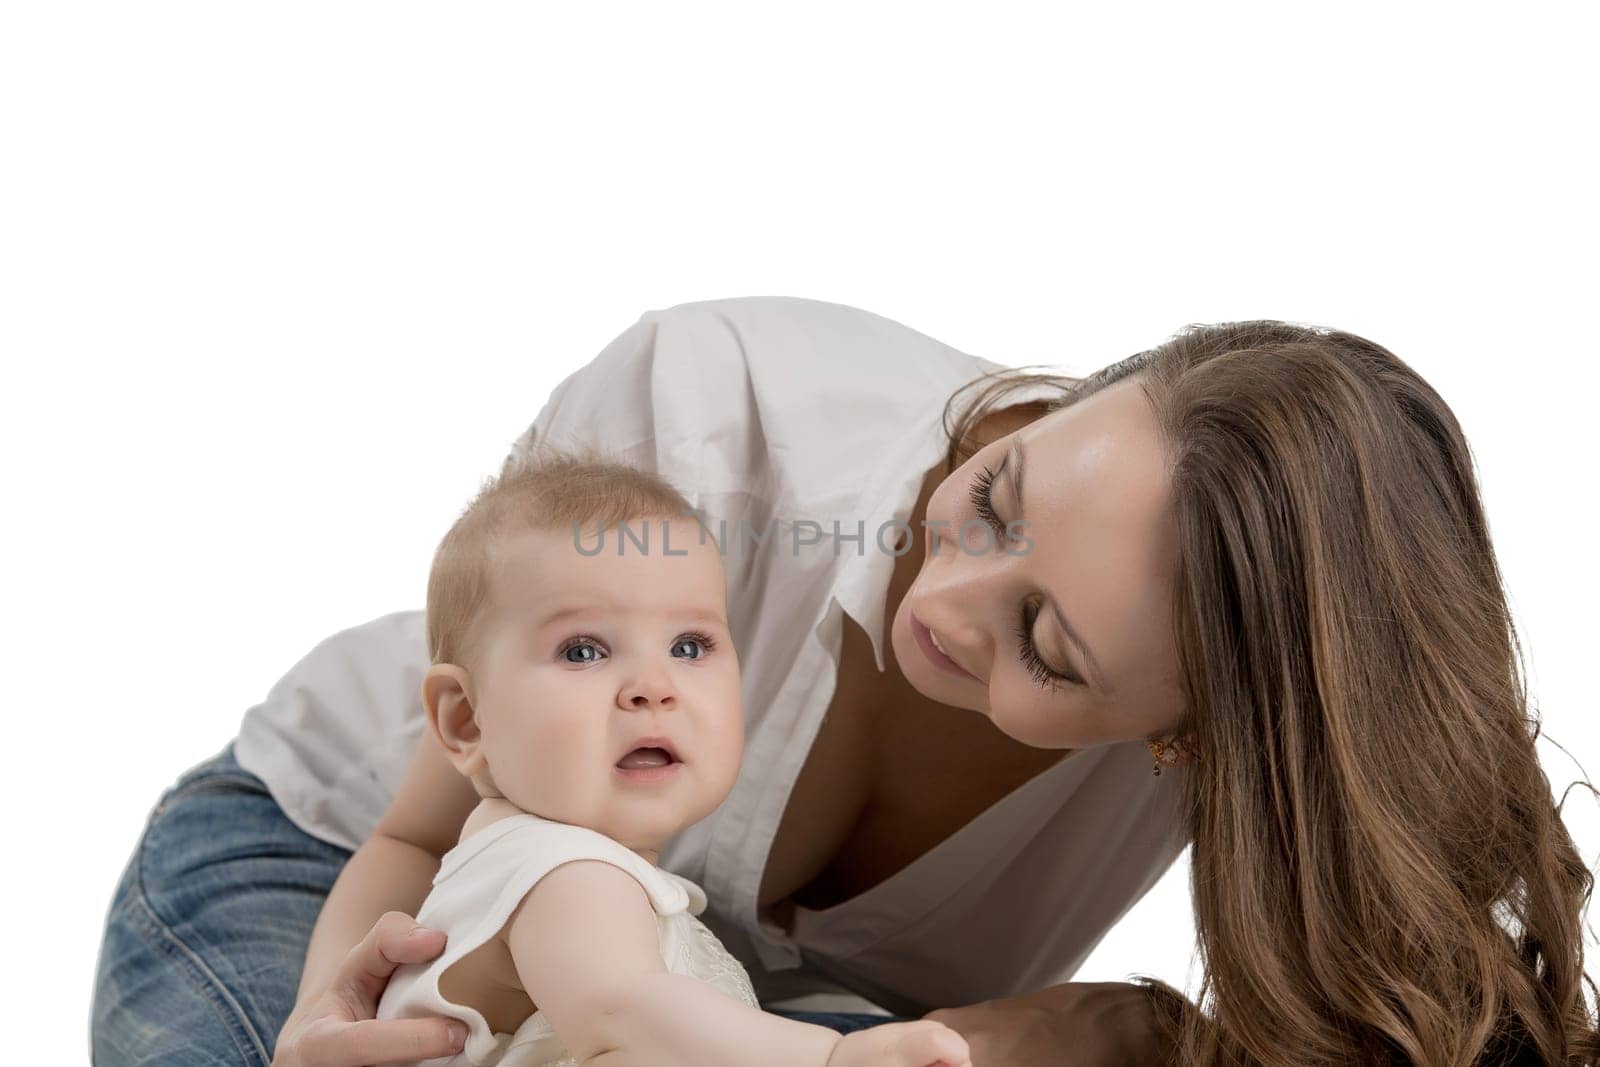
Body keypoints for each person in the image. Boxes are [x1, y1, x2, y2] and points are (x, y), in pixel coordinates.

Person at [91, 296, 1600, 1065]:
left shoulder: (1241, 742)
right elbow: (423, 841)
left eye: (1050, 652)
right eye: (998, 494)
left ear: (1189, 736)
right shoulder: (712, 405)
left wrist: (1070, 1030)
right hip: (334, 874)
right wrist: (316, 1015)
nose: (943, 603)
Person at [370, 449, 969, 1066]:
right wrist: (835, 1058)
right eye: (582, 651)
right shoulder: (556, 868)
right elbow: (625, 1015)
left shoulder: (563, 861)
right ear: (467, 719)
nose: (653, 686)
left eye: (689, 645)